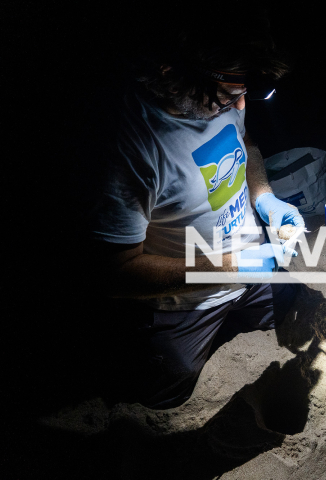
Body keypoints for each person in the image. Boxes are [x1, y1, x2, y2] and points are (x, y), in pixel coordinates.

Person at [80, 2, 304, 409]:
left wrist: (264, 196)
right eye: (229, 95)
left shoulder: (217, 96)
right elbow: (112, 273)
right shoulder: (127, 150)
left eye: (245, 95)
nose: (239, 106)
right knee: (165, 389)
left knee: (292, 309)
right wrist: (231, 266)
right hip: (183, 295)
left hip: (248, 260)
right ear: (171, 72)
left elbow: (246, 143)